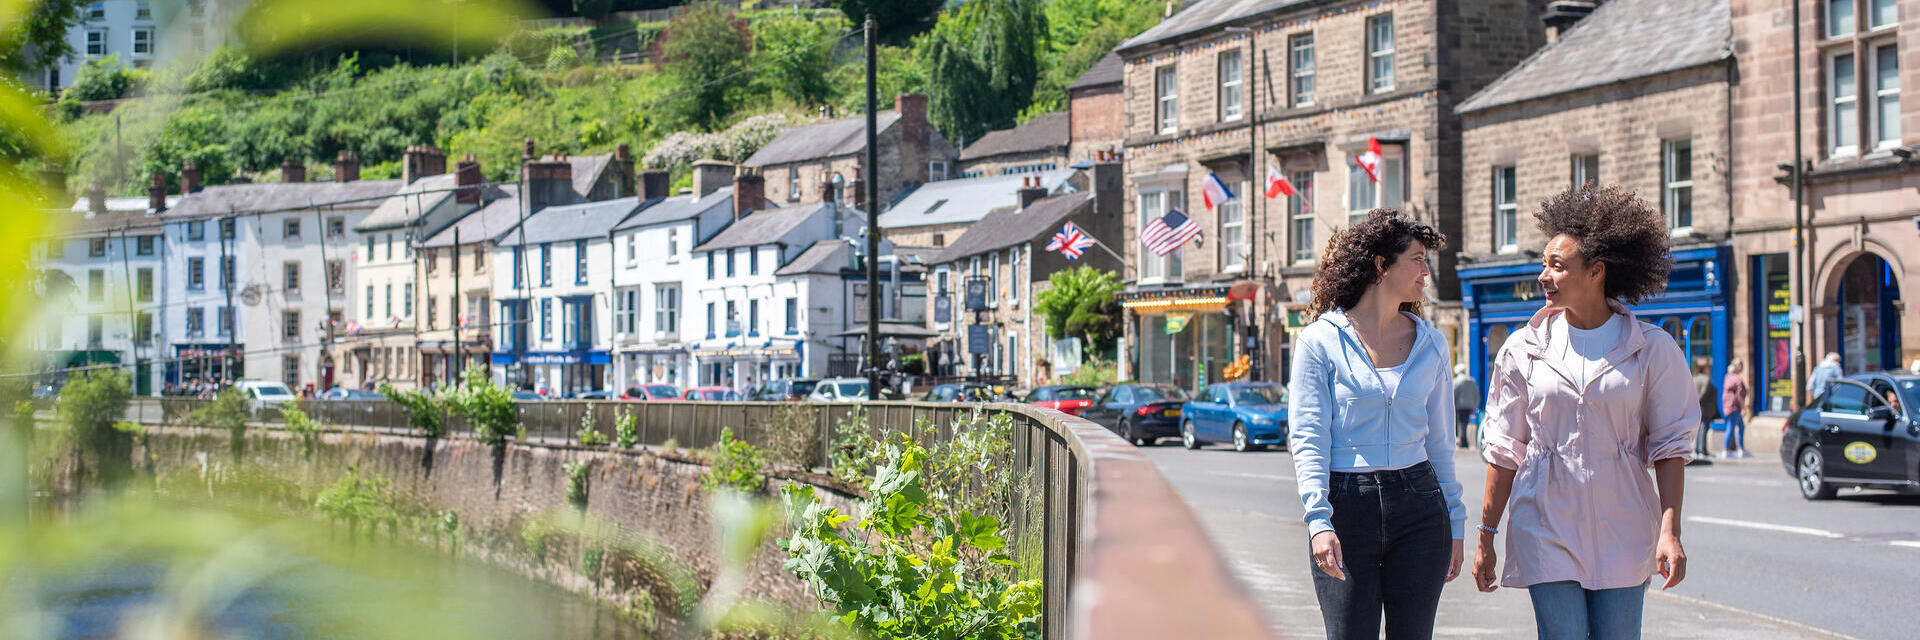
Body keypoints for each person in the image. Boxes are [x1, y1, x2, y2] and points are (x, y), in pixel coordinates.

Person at [1471, 185, 1694, 640]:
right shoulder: (1523, 350)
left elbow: (1670, 445)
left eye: (1557, 266)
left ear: (1596, 271)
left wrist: (1670, 531)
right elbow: (1504, 449)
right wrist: (1486, 534)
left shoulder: (1652, 350)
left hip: (1625, 528)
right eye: (1544, 264)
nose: (1543, 276)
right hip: (1545, 524)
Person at [1287, 209, 1466, 640]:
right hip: (1346, 507)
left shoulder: (1432, 343)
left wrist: (1456, 521)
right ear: (1382, 265)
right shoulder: (1319, 341)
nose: (1427, 271)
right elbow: (1308, 437)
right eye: (1418, 259)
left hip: (1421, 506)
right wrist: (1319, 521)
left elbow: (1441, 442)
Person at [1720, 359, 1751, 459]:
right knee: (1732, 428)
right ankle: (1729, 450)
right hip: (1734, 407)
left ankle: (1738, 449)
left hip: (1727, 407)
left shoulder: (1727, 377)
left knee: (1739, 427)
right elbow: (1739, 396)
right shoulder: (1738, 379)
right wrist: (1743, 408)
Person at [1690, 357, 1718, 462]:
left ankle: (1698, 449)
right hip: (1705, 408)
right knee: (1703, 429)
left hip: (1697, 408)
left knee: (1699, 429)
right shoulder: (1706, 379)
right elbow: (1703, 394)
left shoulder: (1694, 378)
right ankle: (1702, 450)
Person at [1452, 364, 1480, 449]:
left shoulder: (1456, 381)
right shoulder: (1471, 381)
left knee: (1461, 423)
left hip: (1460, 406)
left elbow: (1453, 394)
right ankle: (1464, 440)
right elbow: (1476, 394)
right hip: (1469, 405)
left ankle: (1463, 441)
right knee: (1465, 423)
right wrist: (1475, 404)